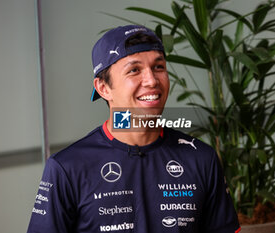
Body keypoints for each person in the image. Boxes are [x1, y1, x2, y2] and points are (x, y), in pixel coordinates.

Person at [27, 25, 241, 233]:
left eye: (159, 67)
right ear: (104, 88)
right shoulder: (66, 168)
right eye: (134, 70)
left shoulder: (202, 158)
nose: (151, 80)